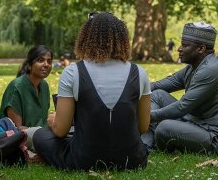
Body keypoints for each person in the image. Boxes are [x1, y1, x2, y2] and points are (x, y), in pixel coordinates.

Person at [26, 12, 151, 171]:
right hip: (133, 161)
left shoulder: (73, 72)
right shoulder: (140, 73)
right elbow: (143, 127)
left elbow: (60, 130)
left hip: (84, 161)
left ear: (86, 38)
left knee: (40, 135)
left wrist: (52, 119)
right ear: (122, 39)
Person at [141, 21, 218, 155]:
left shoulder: (210, 70)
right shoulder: (193, 66)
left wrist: (146, 117)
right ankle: (146, 146)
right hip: (199, 123)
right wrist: (132, 91)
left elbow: (182, 107)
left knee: (164, 127)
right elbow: (159, 86)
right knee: (156, 95)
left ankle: (153, 141)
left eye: (185, 46)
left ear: (201, 49)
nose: (179, 49)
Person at [0, 45, 53, 130]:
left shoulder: (44, 86)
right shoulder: (17, 87)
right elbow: (17, 129)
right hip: (17, 138)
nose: (46, 64)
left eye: (49, 61)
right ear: (29, 65)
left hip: (40, 136)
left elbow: (42, 120)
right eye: (40, 60)